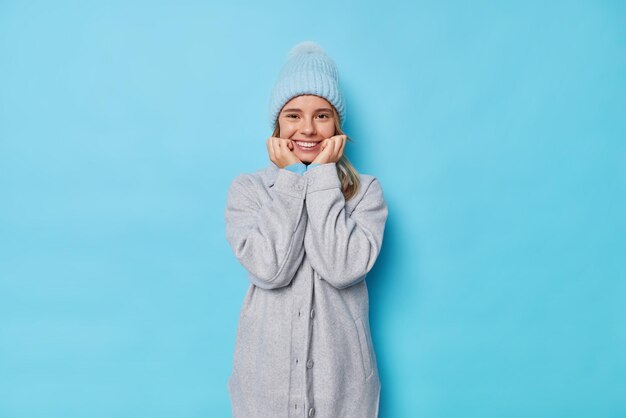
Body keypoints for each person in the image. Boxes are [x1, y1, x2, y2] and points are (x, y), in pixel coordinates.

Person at [224, 41, 388, 418]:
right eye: (294, 115)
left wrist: (321, 180)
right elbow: (270, 269)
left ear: (337, 125)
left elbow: (341, 268)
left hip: (343, 388)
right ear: (277, 125)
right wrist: (291, 181)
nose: (308, 129)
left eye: (322, 115)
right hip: (263, 386)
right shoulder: (248, 190)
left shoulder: (365, 193)